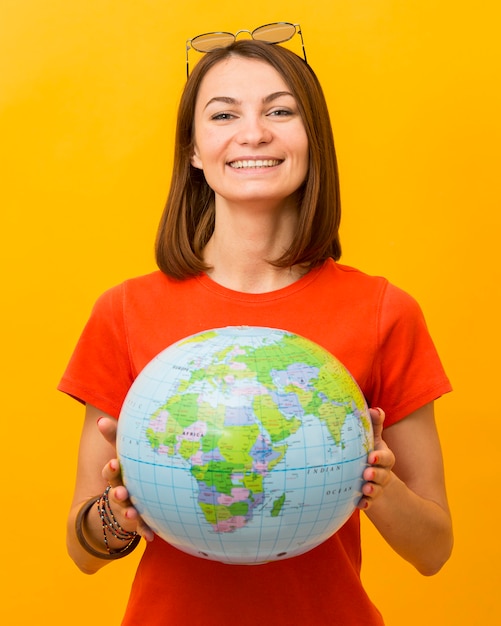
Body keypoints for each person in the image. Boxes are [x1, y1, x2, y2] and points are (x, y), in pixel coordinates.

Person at [60, 28, 453, 626]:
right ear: (193, 149)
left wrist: (375, 479)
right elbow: (82, 551)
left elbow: (434, 550)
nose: (254, 133)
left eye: (280, 111)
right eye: (223, 114)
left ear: (311, 139)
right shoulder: (123, 311)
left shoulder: (384, 311)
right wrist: (119, 512)